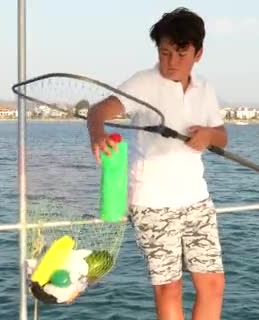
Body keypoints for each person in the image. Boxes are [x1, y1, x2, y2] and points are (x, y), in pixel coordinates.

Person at [86, 7, 227, 320]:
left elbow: (222, 136)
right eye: (165, 53)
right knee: (169, 288)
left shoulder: (206, 89)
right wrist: (98, 135)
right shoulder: (143, 83)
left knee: (213, 284)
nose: (171, 62)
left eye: (181, 53)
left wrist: (208, 135)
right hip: (153, 203)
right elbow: (97, 111)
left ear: (198, 54)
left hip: (197, 200)